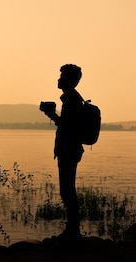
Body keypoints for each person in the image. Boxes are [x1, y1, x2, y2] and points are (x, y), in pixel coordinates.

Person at [39, 64, 85, 244]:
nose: (58, 79)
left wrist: (50, 114)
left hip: (69, 149)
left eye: (62, 76)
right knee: (67, 191)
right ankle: (72, 230)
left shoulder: (72, 99)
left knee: (68, 191)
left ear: (71, 80)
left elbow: (67, 126)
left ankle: (73, 232)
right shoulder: (71, 98)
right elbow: (67, 125)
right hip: (70, 148)